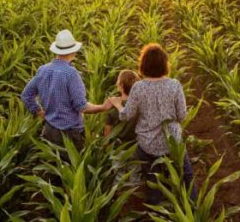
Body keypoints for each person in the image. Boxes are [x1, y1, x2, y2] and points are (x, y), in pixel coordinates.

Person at [109, 43, 197, 205]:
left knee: (152, 180)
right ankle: (191, 208)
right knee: (187, 175)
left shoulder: (138, 88)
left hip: (147, 145)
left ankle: (157, 210)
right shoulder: (175, 85)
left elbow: (126, 116)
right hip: (173, 144)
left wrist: (117, 104)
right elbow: (182, 115)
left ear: (143, 65)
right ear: (165, 64)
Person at [21, 29, 112, 151]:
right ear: (73, 51)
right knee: (72, 167)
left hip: (49, 130)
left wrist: (39, 112)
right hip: (69, 135)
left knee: (53, 166)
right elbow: (81, 106)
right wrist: (102, 107)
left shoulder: (43, 70)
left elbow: (26, 95)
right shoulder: (71, 73)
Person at [103, 70, 140, 143]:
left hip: (116, 150)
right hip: (136, 149)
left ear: (121, 86)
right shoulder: (140, 105)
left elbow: (106, 136)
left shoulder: (113, 107)